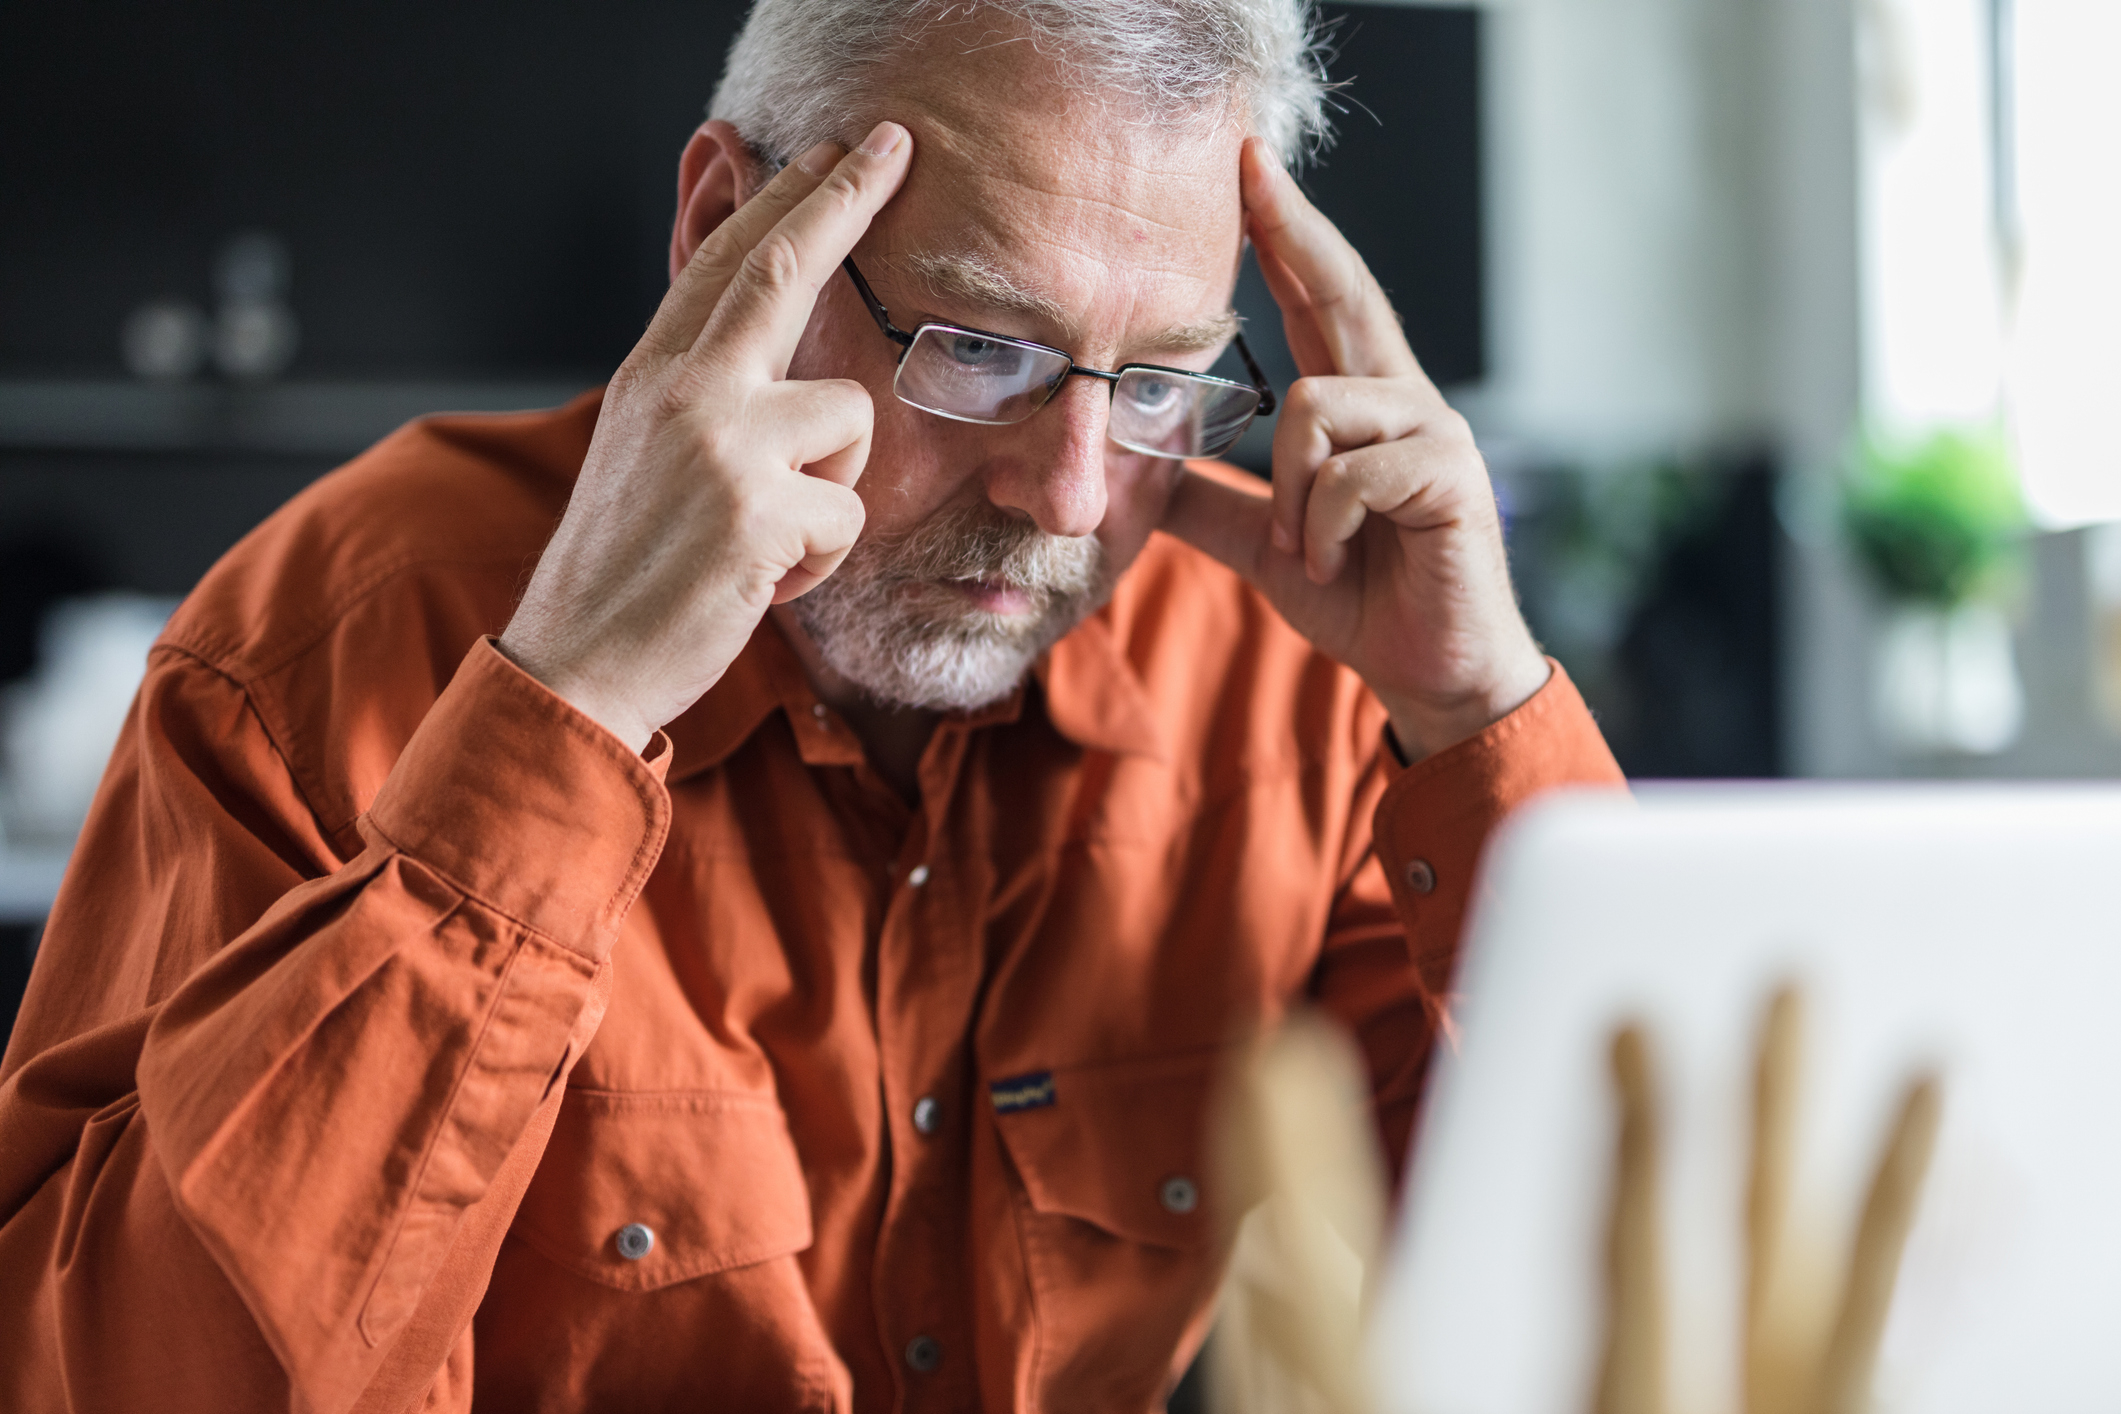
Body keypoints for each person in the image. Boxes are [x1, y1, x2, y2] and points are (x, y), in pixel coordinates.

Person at [0, 1, 1623, 1409]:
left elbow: (1640, 1303)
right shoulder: (325, 645)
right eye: (981, 346)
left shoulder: (1279, 681)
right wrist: (567, 705)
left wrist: (1472, 706)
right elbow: (124, 1380)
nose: (1068, 498)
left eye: (1156, 383)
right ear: (722, 228)